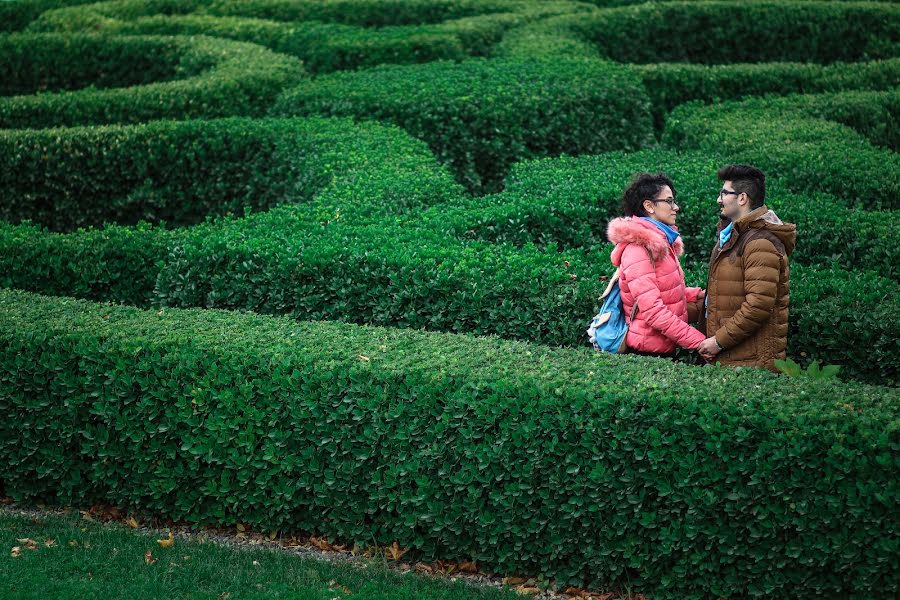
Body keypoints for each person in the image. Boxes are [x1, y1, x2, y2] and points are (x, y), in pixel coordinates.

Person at [697, 165, 796, 371]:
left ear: (742, 198)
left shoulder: (759, 243)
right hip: (733, 359)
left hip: (750, 363)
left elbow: (757, 305)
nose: (718, 199)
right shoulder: (734, 236)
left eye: (724, 193)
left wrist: (718, 342)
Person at [607, 172, 706, 358]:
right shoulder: (638, 249)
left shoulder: (661, 242)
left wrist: (697, 295)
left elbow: (664, 291)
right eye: (669, 201)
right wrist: (699, 342)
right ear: (649, 206)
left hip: (662, 348)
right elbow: (653, 311)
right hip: (646, 353)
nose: (676, 207)